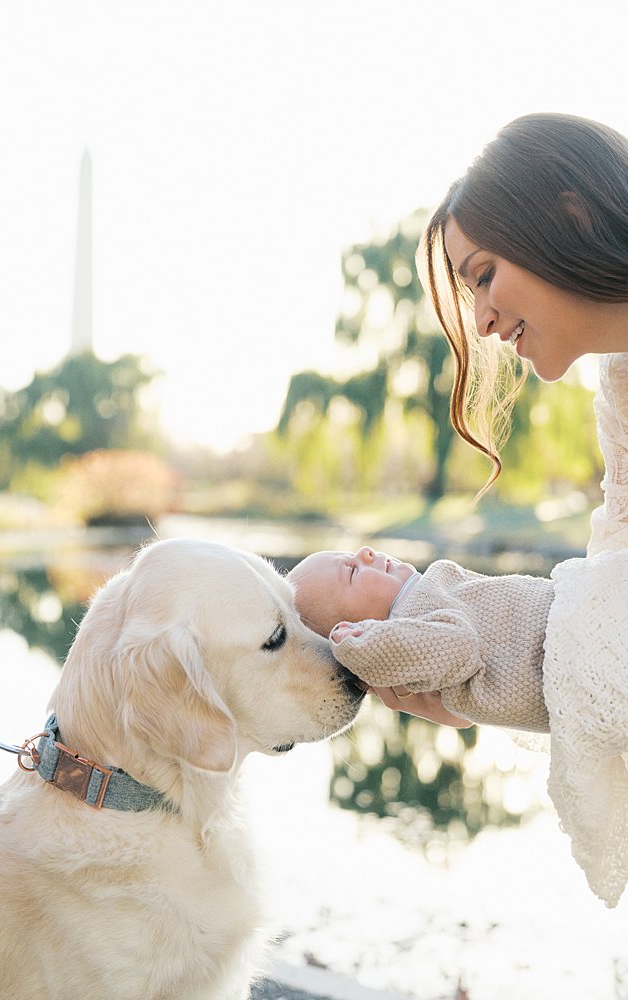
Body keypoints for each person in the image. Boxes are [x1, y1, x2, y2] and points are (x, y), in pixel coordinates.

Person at [386, 112, 628, 906]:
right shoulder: (621, 391)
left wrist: (472, 640)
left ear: (572, 215)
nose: (481, 321)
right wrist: (479, 672)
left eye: (484, 273)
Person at [288, 545, 552, 733]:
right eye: (352, 572)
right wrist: (365, 646)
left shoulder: (427, 602)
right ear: (360, 631)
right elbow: (461, 646)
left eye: (351, 555)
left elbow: (463, 716)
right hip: (565, 647)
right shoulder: (415, 621)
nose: (365, 552)